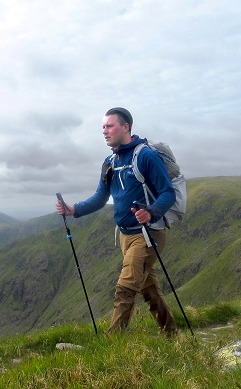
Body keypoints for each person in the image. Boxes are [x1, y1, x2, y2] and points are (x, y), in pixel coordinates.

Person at [56, 107, 178, 336]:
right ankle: (171, 333)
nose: (104, 131)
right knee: (148, 288)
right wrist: (74, 210)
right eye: (103, 127)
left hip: (148, 233)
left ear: (125, 127)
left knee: (126, 287)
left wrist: (151, 212)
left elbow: (167, 193)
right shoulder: (110, 162)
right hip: (125, 235)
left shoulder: (145, 156)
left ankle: (113, 343)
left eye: (109, 126)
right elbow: (101, 198)